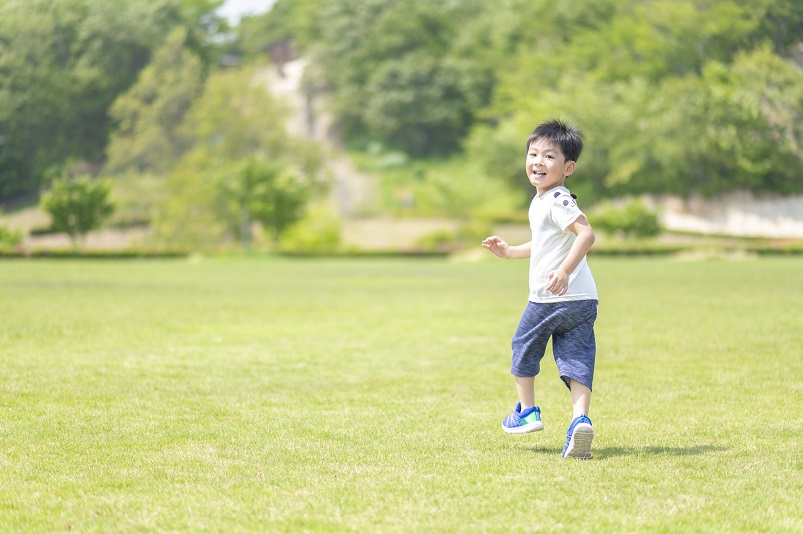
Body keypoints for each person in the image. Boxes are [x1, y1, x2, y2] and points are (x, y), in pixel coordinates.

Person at [482, 119, 599, 459]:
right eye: (533, 154)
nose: (538, 162)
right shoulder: (544, 200)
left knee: (523, 344)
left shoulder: (557, 199)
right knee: (576, 358)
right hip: (583, 300)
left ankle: (527, 411)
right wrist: (510, 252)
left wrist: (563, 271)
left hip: (551, 297)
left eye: (550, 156)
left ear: (568, 167)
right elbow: (547, 243)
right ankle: (580, 421)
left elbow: (586, 234)